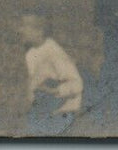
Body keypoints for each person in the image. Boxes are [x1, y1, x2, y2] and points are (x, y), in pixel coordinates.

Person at [18, 8, 83, 137]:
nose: (20, 30)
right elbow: (34, 83)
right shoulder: (30, 53)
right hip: (41, 110)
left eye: (25, 26)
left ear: (40, 31)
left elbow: (77, 84)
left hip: (60, 112)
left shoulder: (54, 52)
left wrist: (55, 91)